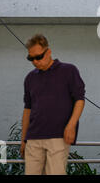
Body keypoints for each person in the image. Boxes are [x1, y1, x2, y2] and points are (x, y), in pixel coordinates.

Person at [21, 34, 85, 175]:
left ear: (48, 52)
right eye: (31, 59)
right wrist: (24, 139)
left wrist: (71, 125)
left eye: (38, 57)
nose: (35, 61)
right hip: (33, 138)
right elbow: (27, 109)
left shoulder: (69, 71)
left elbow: (80, 100)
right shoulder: (30, 78)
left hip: (58, 136)